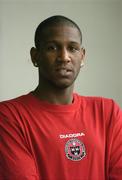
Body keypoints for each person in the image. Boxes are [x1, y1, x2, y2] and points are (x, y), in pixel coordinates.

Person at [0, 15, 122, 180]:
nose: (64, 57)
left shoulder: (107, 111)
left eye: (73, 48)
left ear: (82, 56)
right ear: (35, 56)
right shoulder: (9, 116)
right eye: (52, 47)